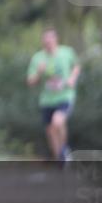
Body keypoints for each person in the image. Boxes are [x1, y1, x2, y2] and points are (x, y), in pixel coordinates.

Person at [26, 28, 80, 162]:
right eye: (45, 40)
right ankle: (59, 159)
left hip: (65, 96)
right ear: (42, 41)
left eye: (50, 39)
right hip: (47, 100)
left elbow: (77, 66)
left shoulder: (67, 52)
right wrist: (39, 72)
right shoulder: (38, 58)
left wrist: (72, 78)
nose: (48, 42)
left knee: (58, 121)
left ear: (56, 39)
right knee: (50, 131)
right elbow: (30, 82)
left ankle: (64, 149)